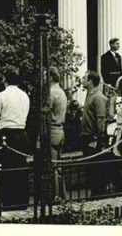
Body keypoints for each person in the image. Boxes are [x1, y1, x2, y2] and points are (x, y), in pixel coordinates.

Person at [0, 68, 31, 208]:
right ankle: (22, 202)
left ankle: (9, 202)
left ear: (4, 79)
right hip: (21, 133)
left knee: (7, 170)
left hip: (7, 134)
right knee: (21, 169)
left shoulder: (1, 96)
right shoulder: (25, 96)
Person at [80, 71, 110, 195]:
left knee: (96, 169)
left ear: (91, 81)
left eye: (84, 78)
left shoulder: (98, 97)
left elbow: (101, 119)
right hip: (87, 137)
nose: (82, 80)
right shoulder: (90, 95)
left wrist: (98, 139)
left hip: (93, 139)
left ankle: (98, 194)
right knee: (90, 170)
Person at [44, 66, 68, 201]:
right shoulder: (62, 92)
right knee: (58, 165)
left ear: (51, 77)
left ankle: (56, 195)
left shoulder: (51, 93)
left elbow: (46, 112)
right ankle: (62, 193)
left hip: (52, 130)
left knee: (53, 165)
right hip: (61, 129)